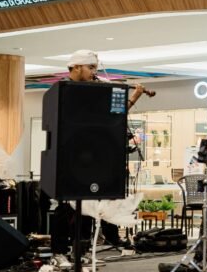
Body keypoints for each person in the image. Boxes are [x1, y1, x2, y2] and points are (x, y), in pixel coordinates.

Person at [50, 50, 146, 256]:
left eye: (95, 68)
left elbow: (114, 115)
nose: (94, 73)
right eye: (91, 68)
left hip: (92, 157)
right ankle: (59, 252)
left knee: (89, 203)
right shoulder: (64, 91)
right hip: (70, 157)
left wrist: (134, 96)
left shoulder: (95, 92)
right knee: (66, 206)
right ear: (76, 67)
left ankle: (81, 249)